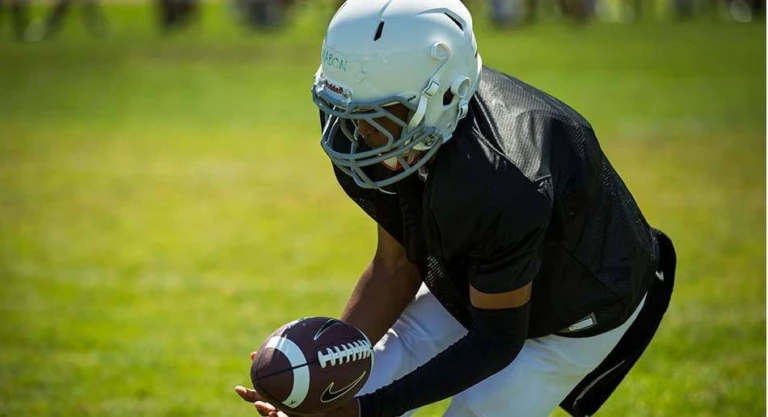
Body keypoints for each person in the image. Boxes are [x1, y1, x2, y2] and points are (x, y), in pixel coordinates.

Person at [235, 0, 676, 416]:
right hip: (478, 273)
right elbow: (395, 267)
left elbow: (497, 340)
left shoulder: (505, 178)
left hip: (578, 306)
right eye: (350, 112)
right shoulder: (372, 121)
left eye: (377, 115)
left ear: (446, 95)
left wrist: (368, 409)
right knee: (366, 379)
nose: (358, 132)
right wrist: (323, 375)